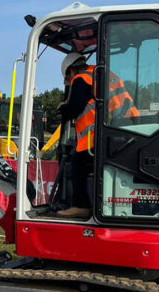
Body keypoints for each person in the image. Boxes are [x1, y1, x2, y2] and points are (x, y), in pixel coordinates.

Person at [56, 52, 137, 218]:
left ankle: (80, 205)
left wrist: (63, 108)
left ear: (71, 70)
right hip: (126, 131)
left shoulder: (81, 79)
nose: (69, 82)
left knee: (77, 163)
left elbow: (74, 108)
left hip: (101, 137)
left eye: (68, 77)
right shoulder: (105, 75)